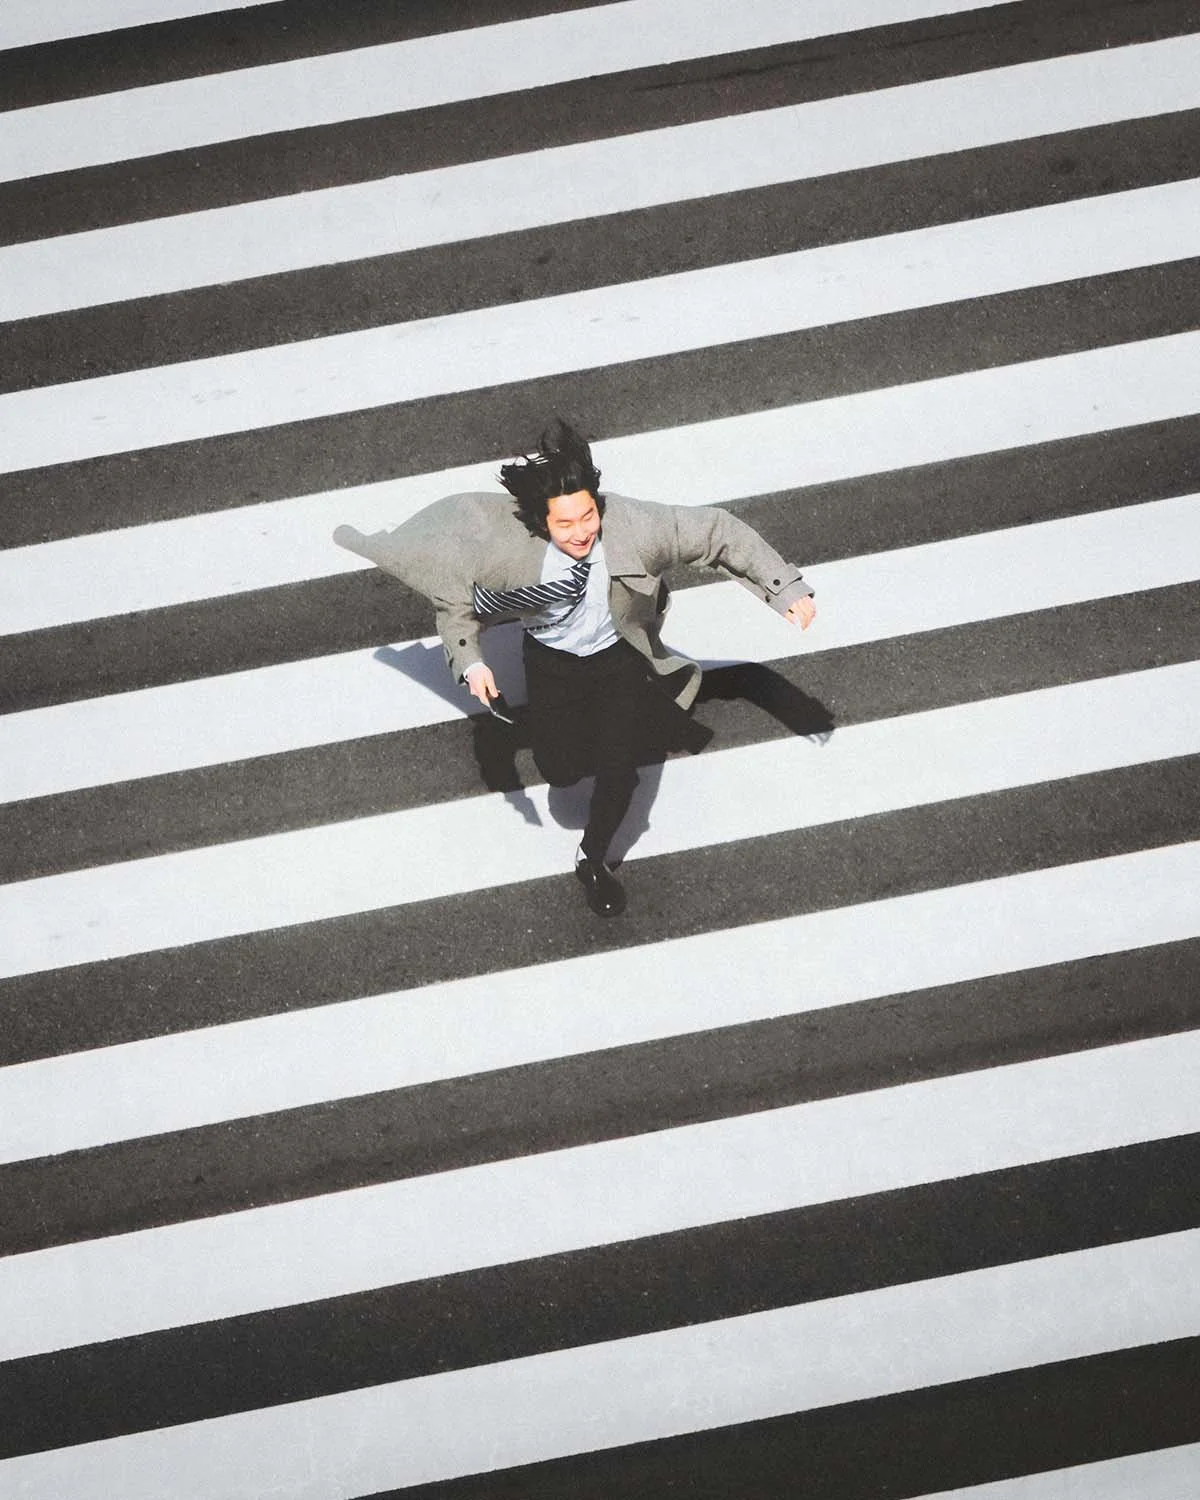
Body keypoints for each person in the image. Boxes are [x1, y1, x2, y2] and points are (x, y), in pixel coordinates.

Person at [334, 421, 815, 916]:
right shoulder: (504, 548)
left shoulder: (634, 529)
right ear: (543, 522)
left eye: (588, 516)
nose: (583, 532)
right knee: (560, 769)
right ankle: (581, 738)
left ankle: (593, 859)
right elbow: (453, 599)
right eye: (565, 524)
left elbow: (717, 531)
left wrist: (784, 589)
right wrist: (472, 662)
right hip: (552, 662)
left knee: (618, 770)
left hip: (617, 658)